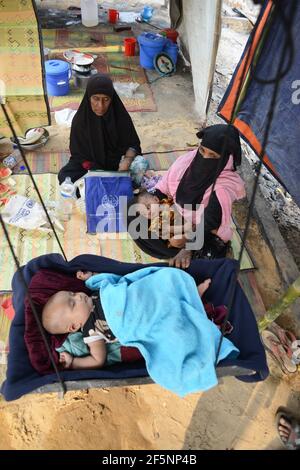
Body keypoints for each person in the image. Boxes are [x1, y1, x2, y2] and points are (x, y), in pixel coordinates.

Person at [42, 270, 212, 370]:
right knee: (166, 317)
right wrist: (74, 363)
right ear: (74, 326)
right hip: (137, 318)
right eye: (73, 303)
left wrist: (91, 276)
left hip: (137, 295)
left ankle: (187, 291)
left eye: (73, 294)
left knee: (159, 283)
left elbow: (111, 282)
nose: (78, 296)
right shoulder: (90, 332)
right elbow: (98, 360)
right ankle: (193, 299)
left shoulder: (94, 294)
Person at [128, 124, 245, 269]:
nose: (204, 157)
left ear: (226, 158)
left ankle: (184, 254)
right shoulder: (186, 161)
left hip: (204, 231)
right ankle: (173, 252)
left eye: (213, 155)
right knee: (132, 212)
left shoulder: (225, 186)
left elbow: (209, 223)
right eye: (202, 150)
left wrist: (187, 247)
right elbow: (165, 186)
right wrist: (154, 204)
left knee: (203, 265)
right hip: (177, 215)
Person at [58, 73, 141, 184]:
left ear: (112, 98)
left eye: (106, 99)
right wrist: (94, 169)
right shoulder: (80, 120)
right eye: (96, 99)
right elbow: (78, 154)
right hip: (90, 165)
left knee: (140, 164)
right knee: (65, 176)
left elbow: (133, 144)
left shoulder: (121, 118)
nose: (101, 105)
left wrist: (127, 160)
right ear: (88, 97)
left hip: (118, 165)